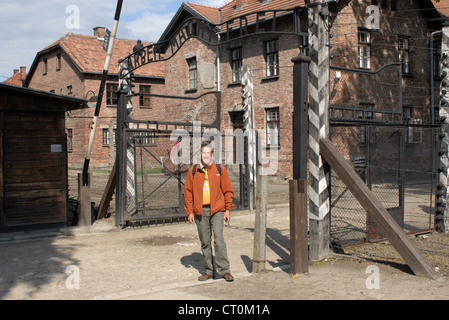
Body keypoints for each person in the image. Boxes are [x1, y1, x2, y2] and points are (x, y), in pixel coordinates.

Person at [184, 142, 235, 282]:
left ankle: (225, 270)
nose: (205, 155)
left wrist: (228, 209)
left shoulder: (220, 169)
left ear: (212, 154)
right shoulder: (193, 171)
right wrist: (190, 211)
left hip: (218, 210)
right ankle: (208, 270)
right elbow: (188, 192)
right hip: (200, 211)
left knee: (219, 239)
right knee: (205, 242)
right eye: (203, 153)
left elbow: (228, 190)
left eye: (208, 153)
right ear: (200, 155)